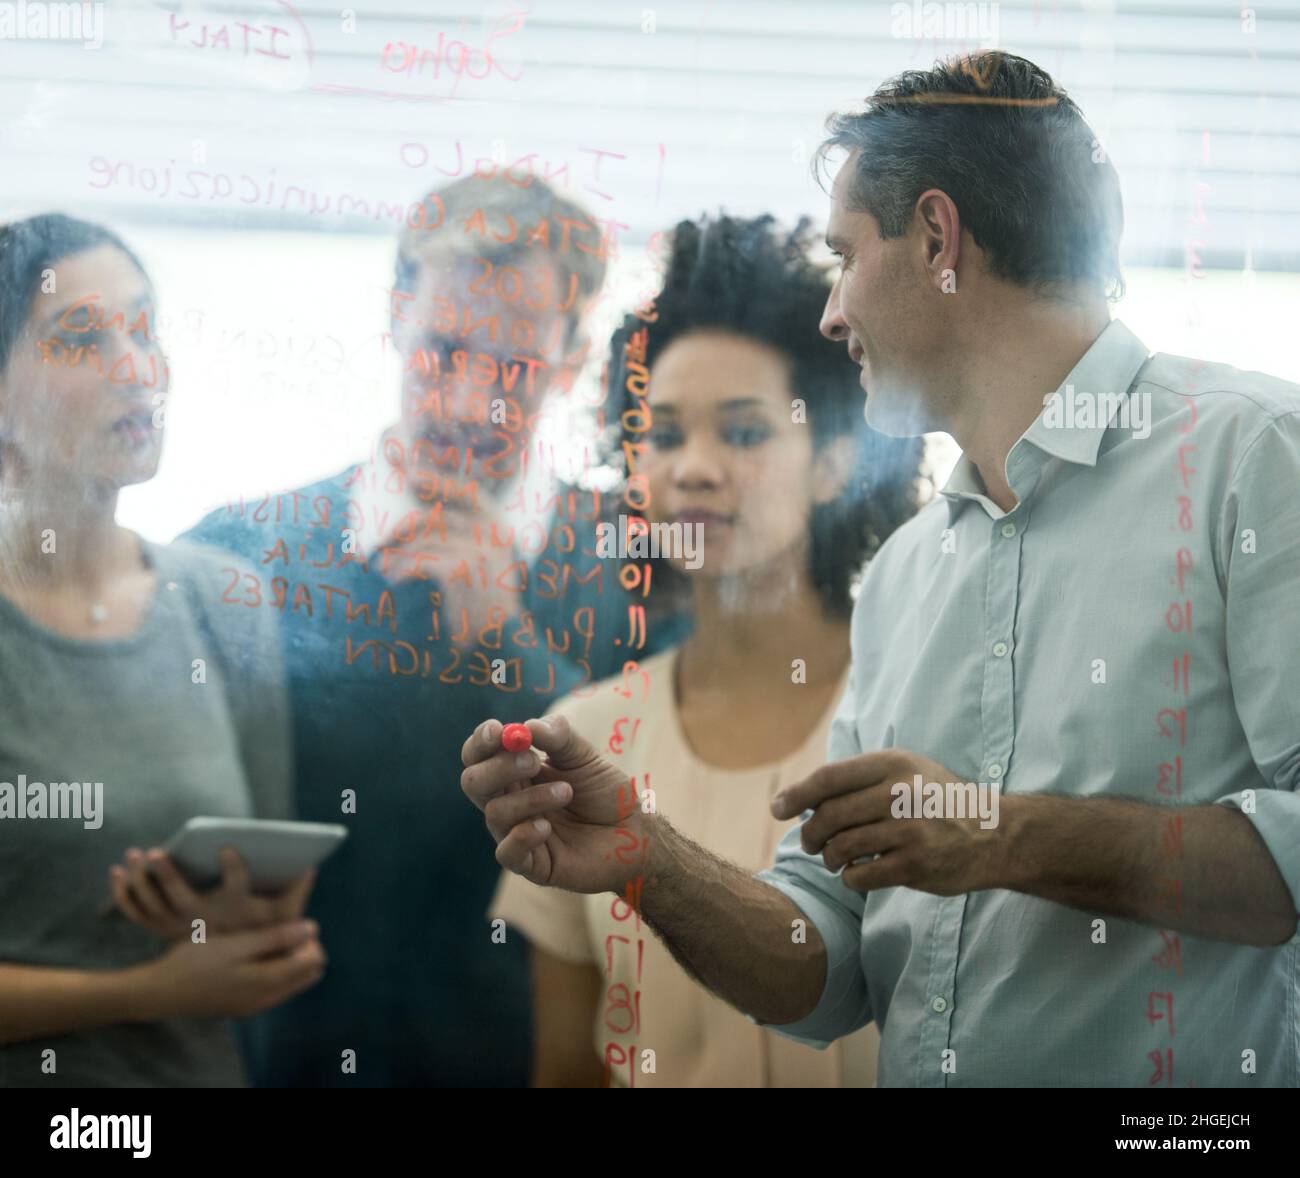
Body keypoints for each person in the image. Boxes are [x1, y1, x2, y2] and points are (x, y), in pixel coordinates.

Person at [461, 51, 1300, 1088]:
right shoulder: (907, 572)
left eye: (845, 254)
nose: (830, 313)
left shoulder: (1252, 458)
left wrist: (996, 834)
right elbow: (830, 966)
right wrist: (645, 856)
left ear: (938, 239)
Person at [183, 174, 679, 1086]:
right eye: (444, 351)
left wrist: (505, 637)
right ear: (396, 317)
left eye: (514, 367)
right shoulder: (234, 556)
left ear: (571, 361)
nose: (465, 404)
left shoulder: (647, 566)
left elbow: (675, 843)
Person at [489, 213, 927, 1087]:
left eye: (745, 432)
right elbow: (568, 1072)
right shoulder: (584, 741)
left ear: (835, 458)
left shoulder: (921, 701)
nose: (694, 468)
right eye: (665, 434)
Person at [0, 213, 323, 1087]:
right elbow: (178, 982)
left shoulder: (226, 600)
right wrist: (150, 987)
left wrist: (237, 922)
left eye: (144, 329)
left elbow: (266, 888)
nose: (138, 368)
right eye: (81, 338)